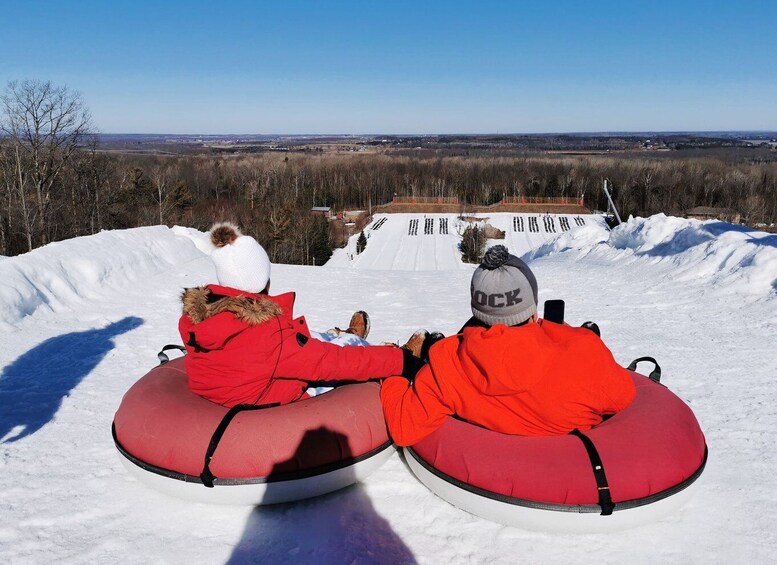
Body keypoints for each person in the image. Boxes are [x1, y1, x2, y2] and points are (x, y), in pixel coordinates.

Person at [380, 245, 636, 446]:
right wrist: (564, 333)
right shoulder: (585, 353)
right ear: (533, 312)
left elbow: (403, 428)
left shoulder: (446, 362)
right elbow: (624, 397)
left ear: (477, 311)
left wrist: (398, 373)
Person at [179, 222, 421, 408]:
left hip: (240, 385)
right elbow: (334, 363)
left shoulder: (199, 318)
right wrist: (401, 362)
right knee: (341, 353)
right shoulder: (267, 335)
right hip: (272, 396)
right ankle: (365, 342)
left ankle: (336, 336)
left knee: (309, 338)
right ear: (263, 280)